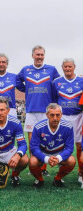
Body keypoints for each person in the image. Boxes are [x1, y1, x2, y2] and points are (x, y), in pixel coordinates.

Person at [17, 45, 60, 176]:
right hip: (31, 110)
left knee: (45, 140)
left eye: (41, 55)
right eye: (37, 54)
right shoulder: (26, 69)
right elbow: (18, 82)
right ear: (32, 55)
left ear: (44, 56)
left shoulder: (51, 69)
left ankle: (43, 167)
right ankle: (33, 167)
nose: (39, 57)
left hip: (46, 111)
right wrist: (27, 90)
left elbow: (58, 84)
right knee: (32, 140)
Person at [29, 103, 75, 187]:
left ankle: (58, 179)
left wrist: (58, 158)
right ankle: (39, 179)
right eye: (52, 115)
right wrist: (46, 159)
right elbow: (34, 147)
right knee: (32, 161)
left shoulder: (68, 127)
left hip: (59, 153)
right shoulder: (38, 127)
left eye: (58, 115)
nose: (55, 118)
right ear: (47, 115)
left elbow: (69, 148)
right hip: (43, 153)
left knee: (71, 161)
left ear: (61, 115)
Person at [52, 58, 83, 184]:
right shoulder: (57, 82)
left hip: (79, 116)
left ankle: (81, 172)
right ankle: (61, 172)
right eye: (65, 67)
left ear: (74, 67)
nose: (68, 69)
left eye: (70, 66)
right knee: (61, 144)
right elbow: (54, 98)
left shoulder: (81, 80)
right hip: (63, 117)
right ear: (62, 67)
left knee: (79, 144)